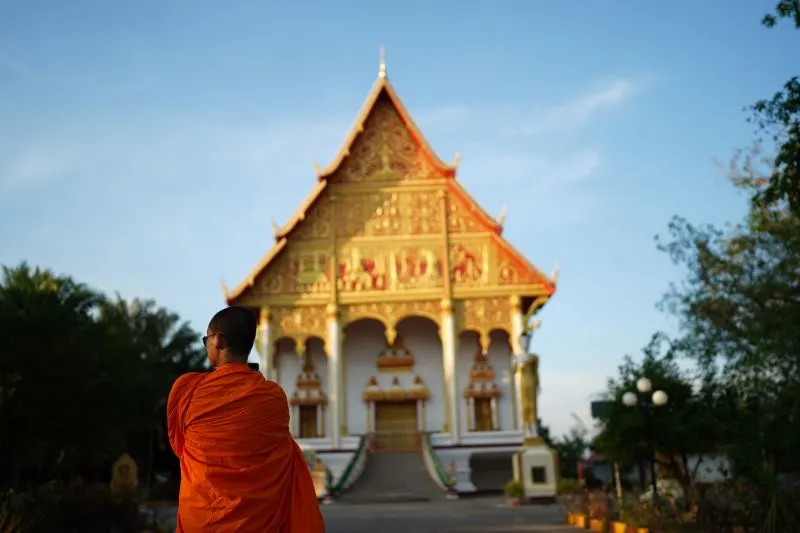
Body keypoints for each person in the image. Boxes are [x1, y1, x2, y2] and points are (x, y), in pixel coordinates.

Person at [167, 306, 324, 532]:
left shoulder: (188, 391)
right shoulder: (272, 396)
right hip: (258, 522)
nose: (206, 346)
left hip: (204, 520)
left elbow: (180, 446)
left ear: (218, 341)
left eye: (206, 340)